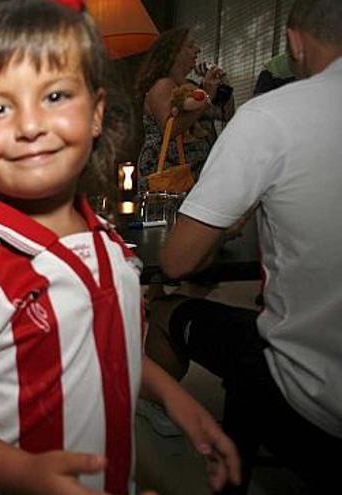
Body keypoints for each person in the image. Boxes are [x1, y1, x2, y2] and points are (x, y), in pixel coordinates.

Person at [0, 2, 240, 494]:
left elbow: (102, 348)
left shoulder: (109, 242)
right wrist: (13, 472)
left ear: (96, 114)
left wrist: (174, 399)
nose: (29, 125)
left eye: (54, 95)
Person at [149, 0, 342, 492]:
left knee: (168, 303)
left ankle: (199, 439)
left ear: (295, 40)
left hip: (315, 395)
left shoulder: (273, 116)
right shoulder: (169, 90)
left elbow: (176, 260)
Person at [134, 27, 232, 190]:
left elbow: (225, 114)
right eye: (190, 45)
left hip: (194, 174)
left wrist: (223, 83)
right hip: (170, 173)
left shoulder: (190, 87)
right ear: (173, 52)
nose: (198, 50)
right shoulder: (162, 85)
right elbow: (169, 129)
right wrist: (206, 95)